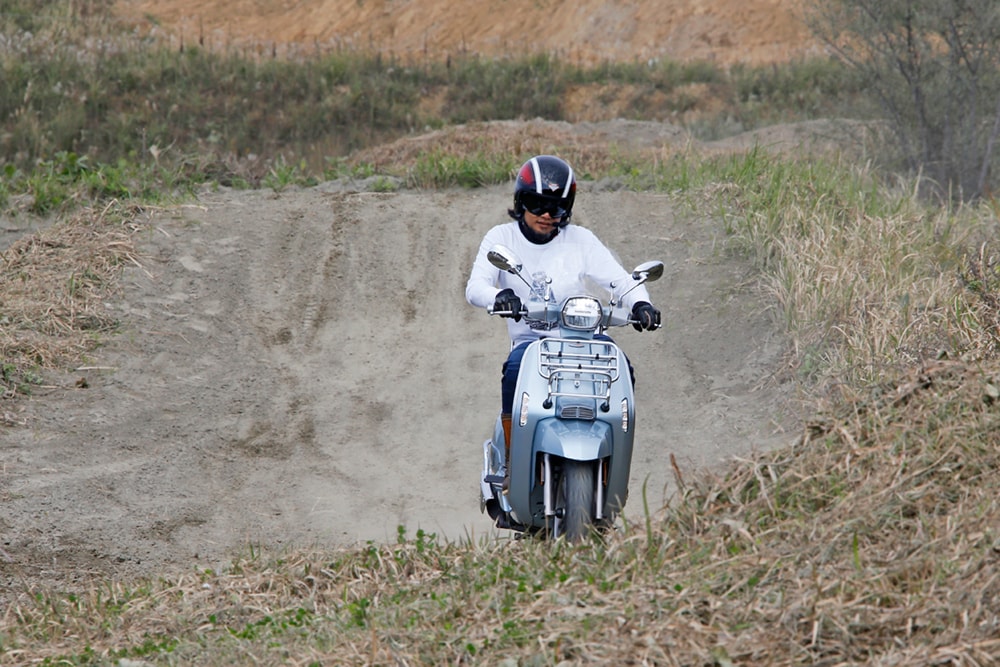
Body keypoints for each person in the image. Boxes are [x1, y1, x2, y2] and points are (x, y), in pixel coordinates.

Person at [465, 155, 661, 481]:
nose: (545, 215)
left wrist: (641, 304)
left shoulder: (581, 240)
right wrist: (499, 296)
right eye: (536, 204)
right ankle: (515, 461)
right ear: (520, 201)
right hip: (531, 344)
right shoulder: (501, 237)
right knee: (513, 369)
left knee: (621, 366)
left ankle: (612, 464)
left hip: (586, 340)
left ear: (566, 209)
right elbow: (475, 287)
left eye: (555, 208)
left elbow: (622, 282)